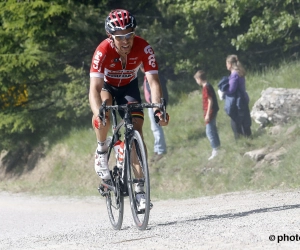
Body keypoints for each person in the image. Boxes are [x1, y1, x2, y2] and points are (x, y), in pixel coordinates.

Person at [89, 9, 169, 209]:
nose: (126, 41)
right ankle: (101, 150)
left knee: (137, 130)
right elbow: (94, 90)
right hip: (107, 87)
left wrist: (159, 108)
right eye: (120, 37)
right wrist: (98, 112)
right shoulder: (102, 51)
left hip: (129, 87)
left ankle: (141, 192)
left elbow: (153, 81)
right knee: (104, 111)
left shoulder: (144, 47)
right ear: (111, 37)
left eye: (129, 35)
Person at [141, 65, 168, 163]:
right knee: (154, 128)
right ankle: (157, 149)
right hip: (150, 105)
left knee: (157, 127)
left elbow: (161, 91)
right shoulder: (147, 76)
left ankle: (161, 150)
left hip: (156, 105)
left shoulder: (154, 76)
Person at [221, 55, 252, 139]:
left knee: (236, 120)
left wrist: (223, 91)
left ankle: (240, 139)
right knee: (245, 120)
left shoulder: (234, 75)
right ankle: (248, 137)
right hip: (243, 98)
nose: (226, 65)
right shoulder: (239, 72)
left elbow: (232, 89)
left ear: (230, 64)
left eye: (227, 63)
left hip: (237, 101)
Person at [194, 70, 220, 160]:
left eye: (196, 80)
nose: (197, 82)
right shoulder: (207, 86)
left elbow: (210, 101)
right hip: (211, 111)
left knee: (209, 131)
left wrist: (208, 114)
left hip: (210, 112)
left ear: (199, 79)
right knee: (212, 129)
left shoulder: (206, 88)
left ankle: (215, 149)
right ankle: (218, 147)